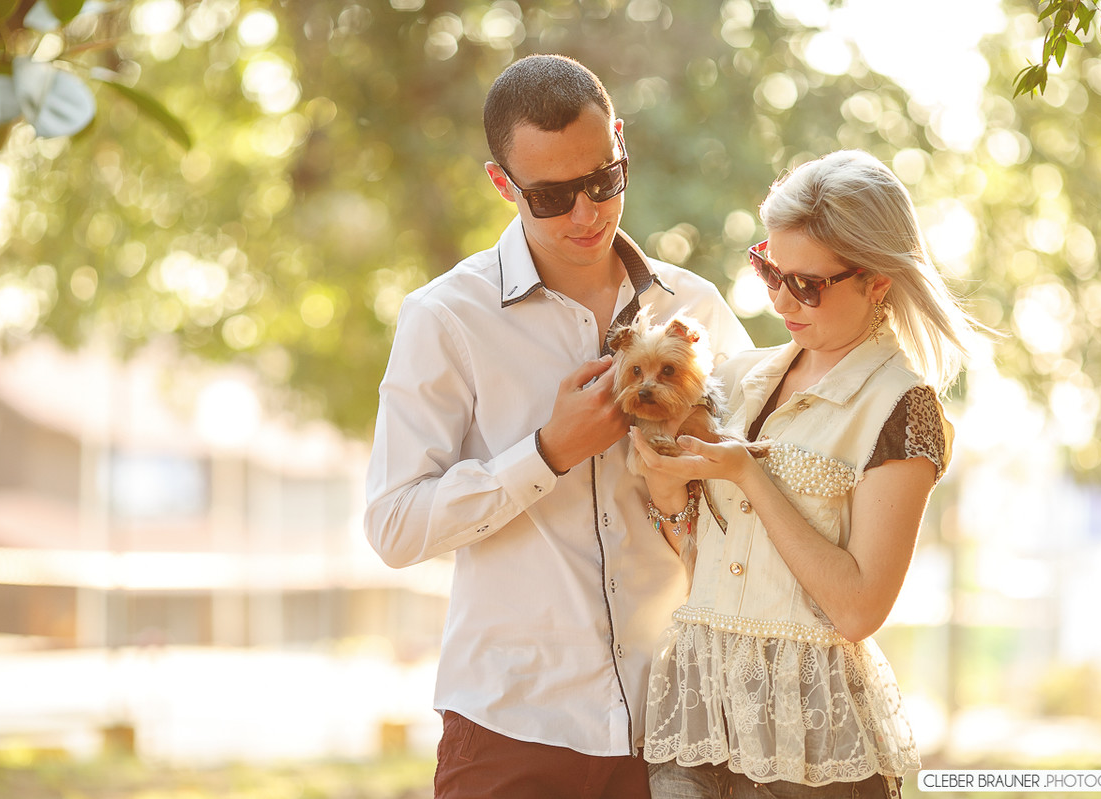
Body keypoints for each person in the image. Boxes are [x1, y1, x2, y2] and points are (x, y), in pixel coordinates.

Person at [363, 54, 752, 799]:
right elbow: (393, 525)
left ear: (619, 142)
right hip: (512, 730)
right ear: (502, 185)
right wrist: (546, 452)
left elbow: (755, 487)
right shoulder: (446, 318)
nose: (587, 214)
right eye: (550, 195)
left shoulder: (698, 310)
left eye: (605, 180)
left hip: (680, 724)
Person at [630, 150, 987, 798]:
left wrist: (750, 476)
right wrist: (664, 488)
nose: (780, 299)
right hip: (698, 720)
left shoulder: (903, 407)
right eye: (771, 269)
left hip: (813, 755)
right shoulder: (738, 378)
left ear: (877, 280)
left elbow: (856, 609)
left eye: (807, 284)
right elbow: (695, 557)